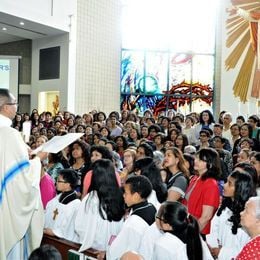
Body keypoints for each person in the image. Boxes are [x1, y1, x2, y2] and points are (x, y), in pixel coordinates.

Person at [0, 88, 47, 259]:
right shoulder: (9, 134)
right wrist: (38, 159)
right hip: (6, 206)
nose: (16, 107)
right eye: (14, 104)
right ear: (5, 107)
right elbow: (20, 177)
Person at [74, 159, 125, 253]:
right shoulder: (120, 195)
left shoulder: (92, 198)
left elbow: (80, 226)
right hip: (112, 249)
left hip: (94, 249)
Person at [206, 171, 254, 259]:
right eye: (226, 181)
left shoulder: (249, 214)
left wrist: (222, 252)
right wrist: (213, 247)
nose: (224, 185)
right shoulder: (225, 206)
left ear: (240, 188)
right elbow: (213, 228)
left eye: (229, 183)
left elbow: (247, 246)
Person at [107, 175, 156, 259]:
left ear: (136, 196)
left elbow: (118, 251)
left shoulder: (134, 222)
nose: (123, 196)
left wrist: (107, 254)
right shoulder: (151, 207)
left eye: (126, 193)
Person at [183, 148, 220, 236]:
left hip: (198, 230)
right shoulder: (194, 178)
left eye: (200, 160)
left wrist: (192, 234)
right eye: (196, 158)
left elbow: (206, 216)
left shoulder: (211, 184)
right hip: (187, 224)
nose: (196, 161)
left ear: (210, 164)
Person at [44, 169, 80, 241]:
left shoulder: (76, 205)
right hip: (48, 236)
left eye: (59, 181)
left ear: (68, 184)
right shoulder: (57, 198)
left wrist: (55, 232)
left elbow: (70, 227)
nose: (56, 183)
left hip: (64, 242)